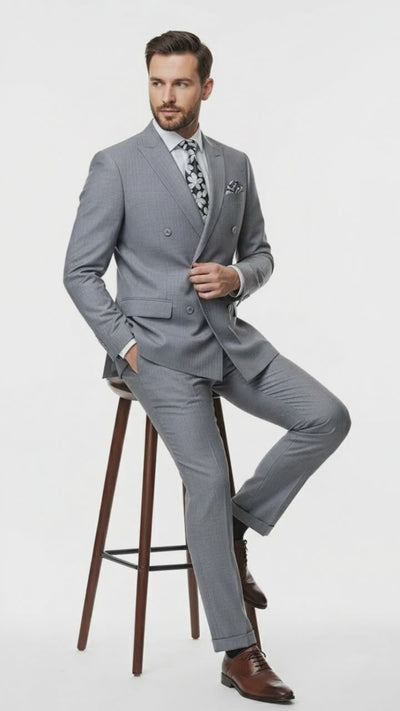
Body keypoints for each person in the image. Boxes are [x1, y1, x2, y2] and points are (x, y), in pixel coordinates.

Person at [63, 30, 351, 704]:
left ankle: (234, 525)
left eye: (181, 83)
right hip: (157, 352)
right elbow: (79, 271)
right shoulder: (116, 164)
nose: (167, 96)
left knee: (326, 416)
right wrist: (126, 345)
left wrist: (236, 277)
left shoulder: (234, 164)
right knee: (207, 477)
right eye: (157, 82)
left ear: (206, 88)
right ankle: (238, 650)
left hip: (227, 338)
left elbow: (262, 253)